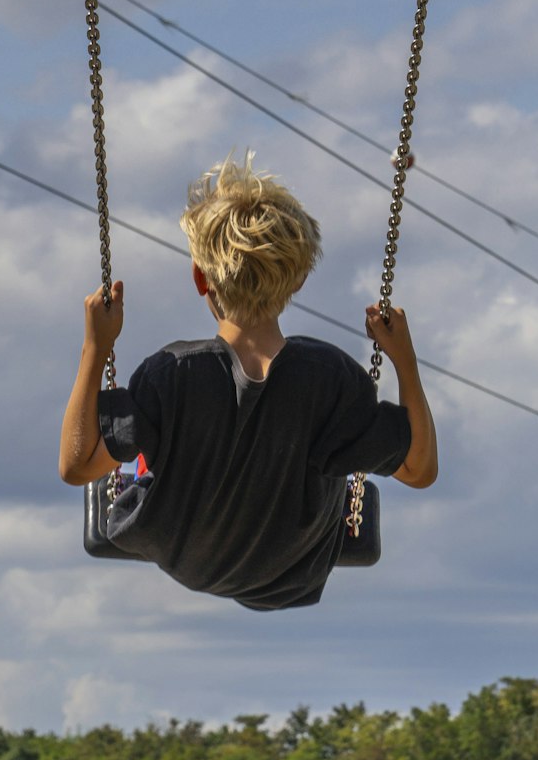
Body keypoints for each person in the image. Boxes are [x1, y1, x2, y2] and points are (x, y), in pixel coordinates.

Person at [58, 154, 438, 610]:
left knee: (154, 444)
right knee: (331, 440)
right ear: (297, 281)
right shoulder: (330, 379)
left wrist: (95, 349)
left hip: (187, 557)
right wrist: (405, 361)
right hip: (292, 566)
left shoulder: (172, 374)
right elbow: (420, 470)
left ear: (201, 279)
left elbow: (77, 466)